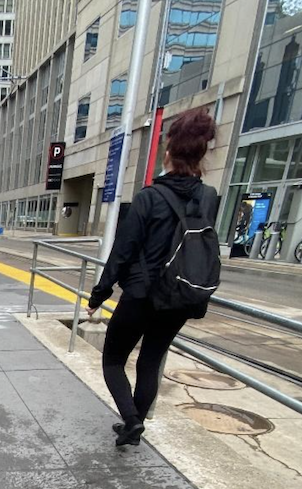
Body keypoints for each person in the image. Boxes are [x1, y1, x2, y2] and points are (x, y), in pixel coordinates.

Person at [86, 107, 219, 446]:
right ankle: (135, 426)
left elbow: (122, 252)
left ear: (169, 151)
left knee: (114, 359)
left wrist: (100, 294)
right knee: (150, 361)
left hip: (143, 295)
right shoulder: (208, 196)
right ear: (201, 153)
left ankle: (131, 422)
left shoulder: (149, 197)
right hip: (181, 296)